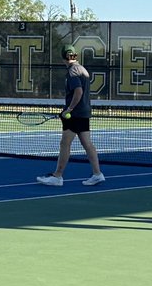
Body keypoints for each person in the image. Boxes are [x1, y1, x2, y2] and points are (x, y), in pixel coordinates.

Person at [36, 45, 105, 187]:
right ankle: (97, 174)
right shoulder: (82, 69)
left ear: (63, 58)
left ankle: (57, 176)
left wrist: (69, 109)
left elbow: (78, 92)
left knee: (65, 143)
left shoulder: (73, 72)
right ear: (75, 55)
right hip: (84, 112)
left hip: (75, 114)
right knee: (87, 144)